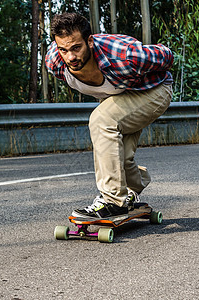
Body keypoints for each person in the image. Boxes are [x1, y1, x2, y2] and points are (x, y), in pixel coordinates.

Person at [45, 12, 173, 219]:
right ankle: (133, 187)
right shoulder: (55, 62)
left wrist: (141, 75)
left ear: (90, 41)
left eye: (76, 48)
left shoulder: (124, 55)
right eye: (64, 50)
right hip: (120, 95)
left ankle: (113, 202)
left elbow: (167, 55)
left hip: (154, 91)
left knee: (102, 120)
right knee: (118, 155)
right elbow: (63, 56)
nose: (71, 57)